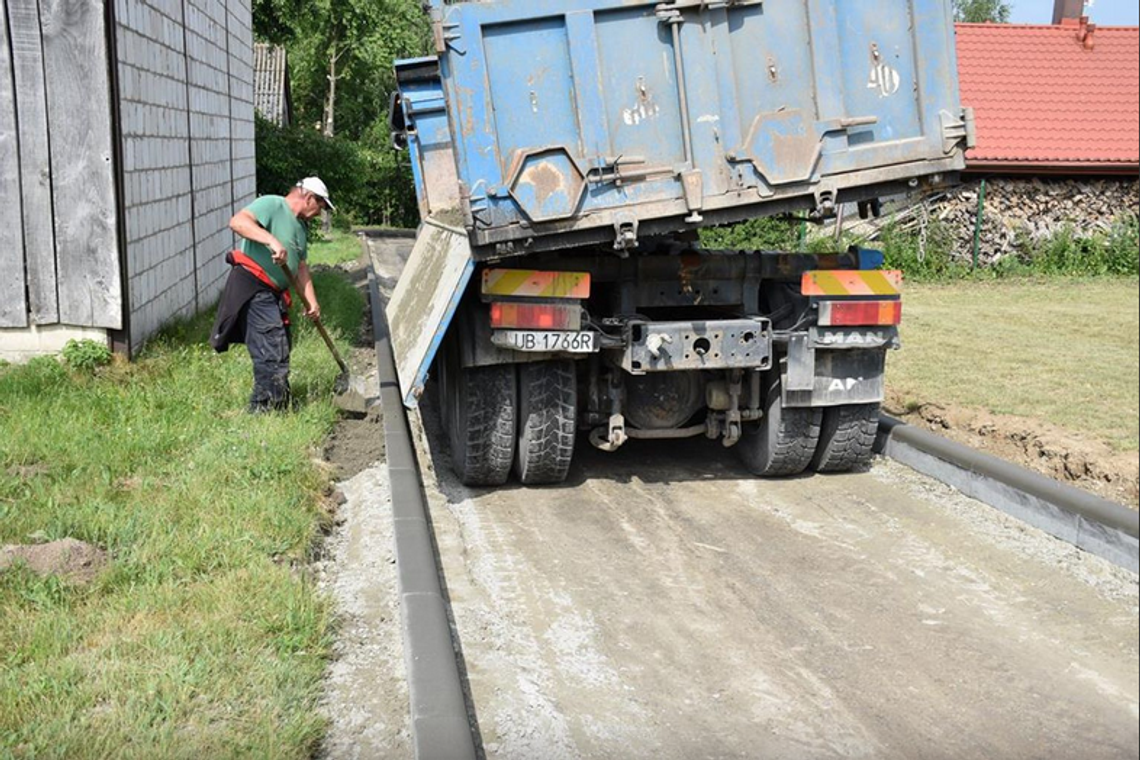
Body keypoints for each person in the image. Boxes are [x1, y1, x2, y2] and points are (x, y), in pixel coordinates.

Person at [210, 177, 335, 412]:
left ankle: (279, 402)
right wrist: (271, 240)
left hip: (273, 293)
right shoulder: (273, 204)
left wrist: (312, 302)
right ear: (309, 198)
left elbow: (301, 268)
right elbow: (238, 222)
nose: (320, 213)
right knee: (271, 349)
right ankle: (263, 410)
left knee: (281, 346)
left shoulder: (300, 228)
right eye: (321, 206)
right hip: (253, 287)